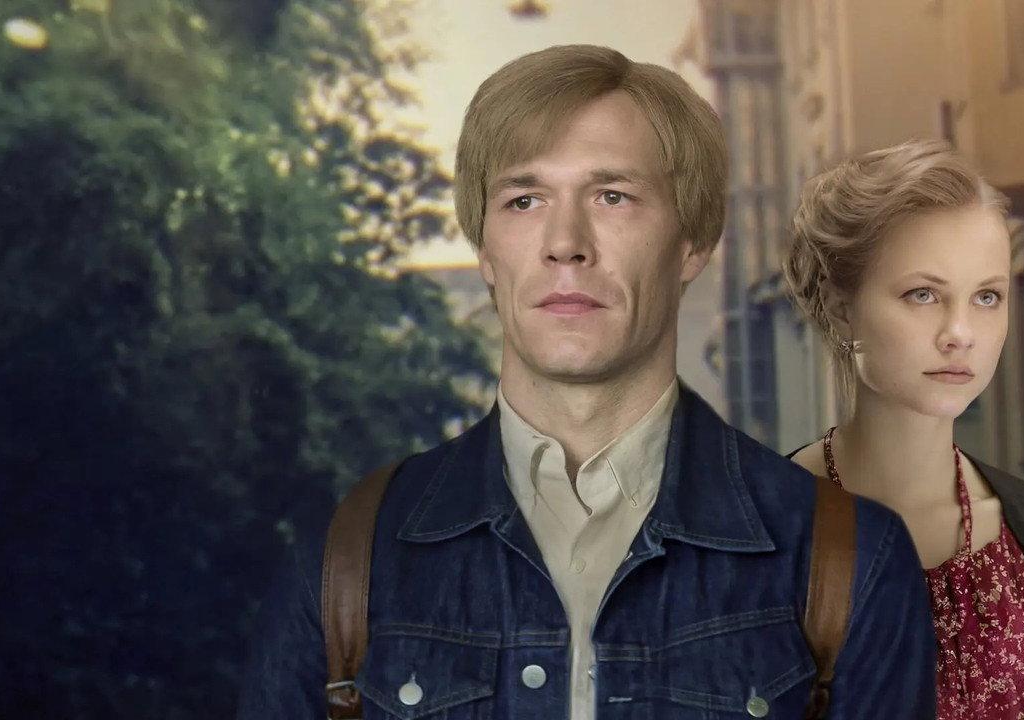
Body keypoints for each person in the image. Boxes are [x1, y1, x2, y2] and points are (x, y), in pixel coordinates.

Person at [239, 45, 935, 718]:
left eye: (612, 196)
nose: (565, 243)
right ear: (485, 249)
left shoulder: (848, 560)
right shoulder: (346, 559)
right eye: (524, 200)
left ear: (693, 243)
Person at [784, 139, 1024, 719]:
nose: (960, 333)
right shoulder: (751, 539)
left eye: (987, 297)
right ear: (841, 306)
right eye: (923, 294)